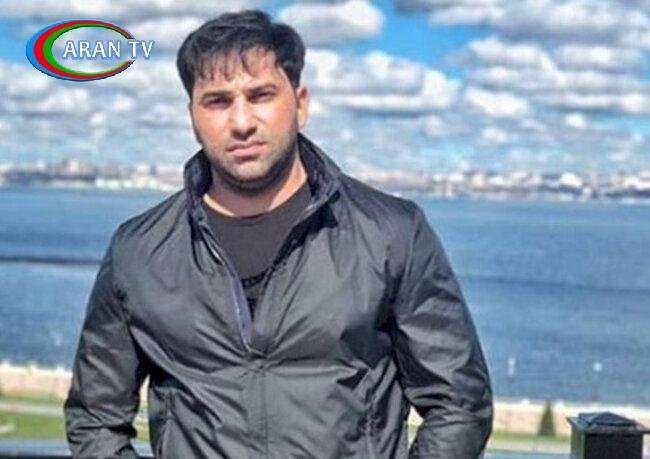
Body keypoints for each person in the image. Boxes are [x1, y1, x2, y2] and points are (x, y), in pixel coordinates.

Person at [64, 10, 493, 458]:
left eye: (261, 95)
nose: (242, 122)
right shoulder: (139, 251)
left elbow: (459, 403)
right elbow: (95, 419)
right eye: (217, 101)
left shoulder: (391, 233)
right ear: (192, 116)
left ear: (300, 104)